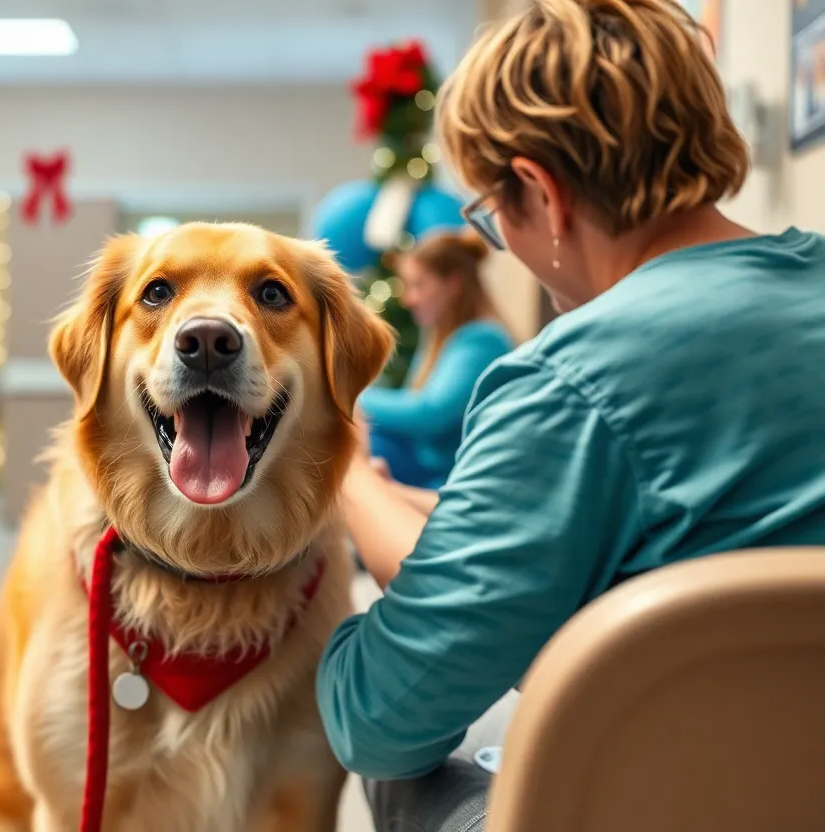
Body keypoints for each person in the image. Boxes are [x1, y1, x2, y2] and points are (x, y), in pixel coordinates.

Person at [316, 1, 825, 830]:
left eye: (490, 212)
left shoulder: (566, 382)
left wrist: (340, 476)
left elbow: (381, 716)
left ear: (541, 193)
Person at [361, 231, 513, 489]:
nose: (408, 299)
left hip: (448, 479)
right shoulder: (440, 338)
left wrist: (354, 398)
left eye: (419, 285)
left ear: (453, 285)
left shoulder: (482, 340)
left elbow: (430, 412)